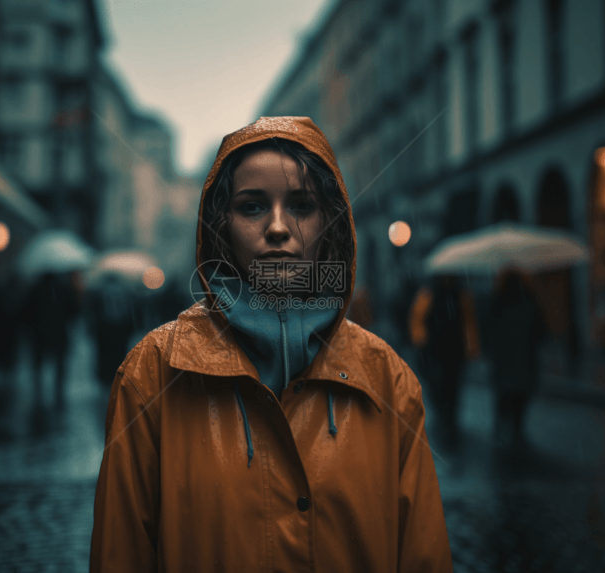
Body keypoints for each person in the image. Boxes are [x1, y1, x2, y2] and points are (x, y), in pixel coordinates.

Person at [91, 117, 453, 572]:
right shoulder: (154, 373)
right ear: (222, 227)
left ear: (329, 224)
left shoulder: (388, 380)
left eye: (302, 206)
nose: (279, 227)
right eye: (253, 207)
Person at [409, 274, 480, 445]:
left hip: (455, 354)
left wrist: (471, 349)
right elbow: (418, 321)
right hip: (436, 354)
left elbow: (469, 322)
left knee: (452, 390)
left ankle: (450, 423)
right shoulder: (429, 294)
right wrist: (422, 346)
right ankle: (445, 422)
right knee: (439, 389)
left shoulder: (462, 295)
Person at [484, 269, 546, 449]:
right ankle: (517, 433)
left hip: (503, 363)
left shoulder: (496, 303)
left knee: (503, 399)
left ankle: (501, 431)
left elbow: (487, 331)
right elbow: (541, 333)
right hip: (524, 363)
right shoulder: (529, 302)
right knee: (519, 401)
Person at [23, 271, 80, 408]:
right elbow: (74, 310)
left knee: (39, 363)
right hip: (59, 332)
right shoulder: (64, 289)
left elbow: (26, 311)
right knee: (59, 364)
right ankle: (58, 392)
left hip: (39, 333)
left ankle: (39, 391)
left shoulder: (35, 290)